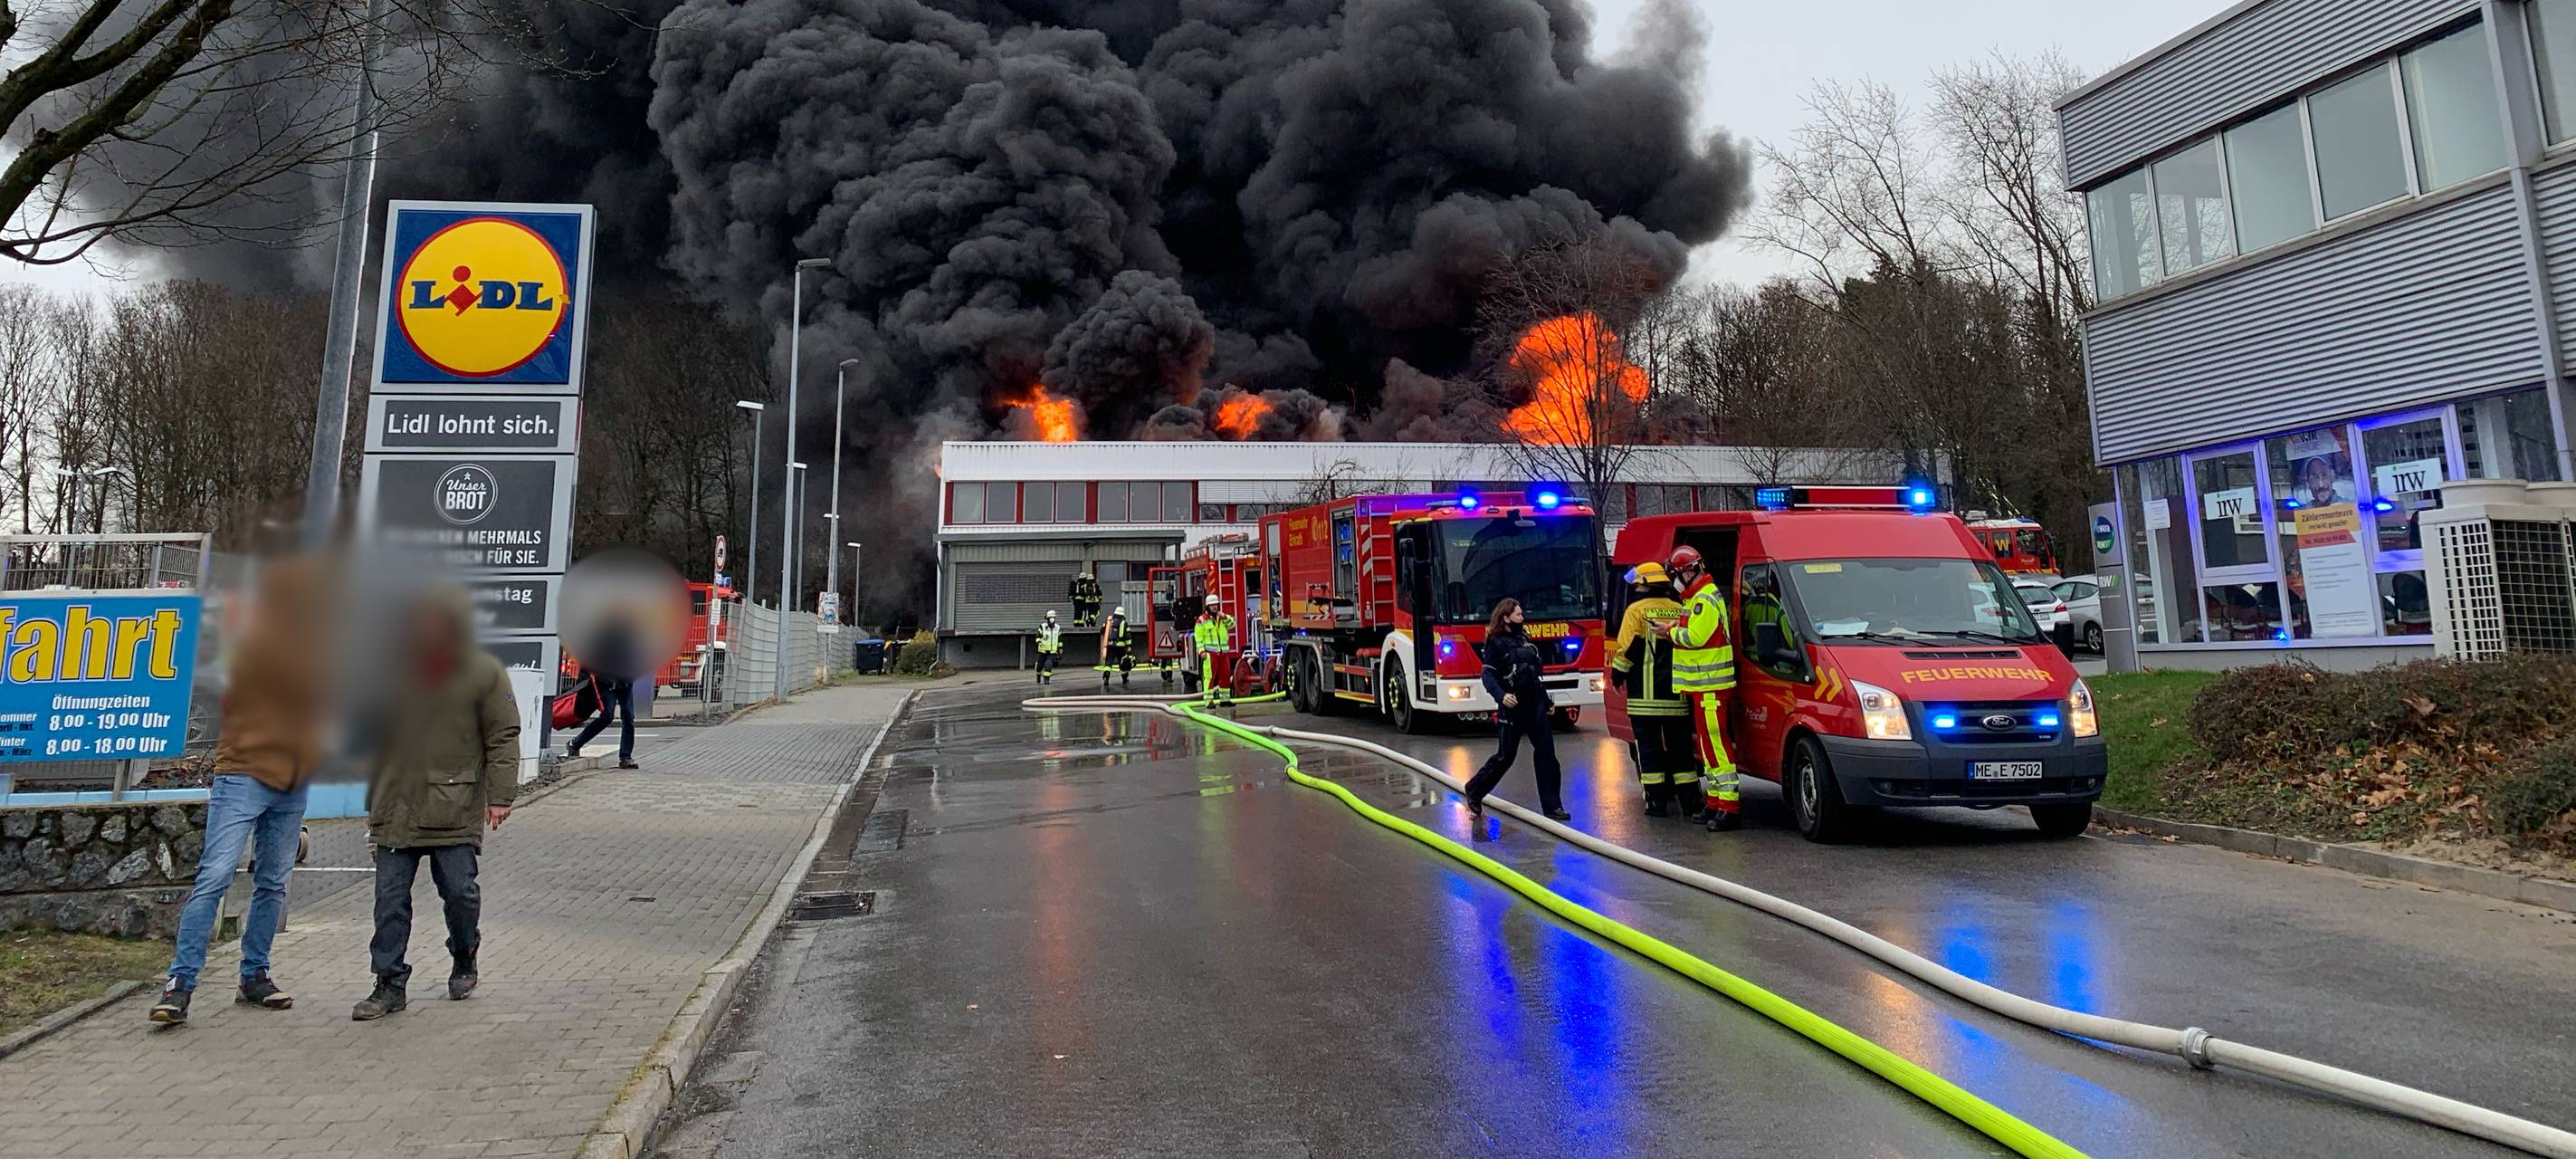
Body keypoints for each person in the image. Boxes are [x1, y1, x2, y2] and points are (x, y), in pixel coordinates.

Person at [151, 556, 332, 1024]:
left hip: (293, 780)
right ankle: (180, 984)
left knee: (274, 883)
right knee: (214, 876)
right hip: (246, 772)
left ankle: (255, 975)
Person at [353, 589, 523, 1020]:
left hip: (454, 804)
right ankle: (388, 984)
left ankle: (465, 953)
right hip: (395, 807)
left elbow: (503, 736)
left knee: (460, 894)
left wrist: (500, 797)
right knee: (389, 903)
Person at [1461, 599, 1569, 821]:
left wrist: (1546, 702)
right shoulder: (1495, 645)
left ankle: (1553, 806)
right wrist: (1501, 696)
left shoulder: (1524, 641)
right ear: (1506, 617)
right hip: (1513, 706)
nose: (1523, 618)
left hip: (1535, 705)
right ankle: (1475, 789)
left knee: (1547, 754)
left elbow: (1533, 676)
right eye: (1518, 615)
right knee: (1505, 756)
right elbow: (1488, 676)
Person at [1665, 546, 1741, 831]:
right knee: (1708, 747)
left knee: (1717, 745)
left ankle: (1729, 807)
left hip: (1712, 687)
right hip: (1703, 688)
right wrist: (1676, 624)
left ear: (1688, 571)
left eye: (1676, 573)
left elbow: (1696, 637)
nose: (1676, 579)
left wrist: (1669, 632)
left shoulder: (1704, 600)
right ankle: (1716, 802)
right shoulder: (1696, 598)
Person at [1609, 562, 1694, 818]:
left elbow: (1626, 651)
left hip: (1644, 698)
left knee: (1649, 751)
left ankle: (1656, 803)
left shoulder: (1635, 611)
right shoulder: (1680, 609)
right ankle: (1691, 802)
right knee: (1681, 751)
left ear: (1647, 584)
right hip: (1677, 696)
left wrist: (1617, 677)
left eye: (1639, 583)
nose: (1636, 586)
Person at [563, 666, 638, 769]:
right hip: (607, 683)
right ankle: (575, 743)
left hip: (625, 683)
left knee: (628, 717)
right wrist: (583, 681)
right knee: (607, 716)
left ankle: (625, 756)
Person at [1192, 602, 1236, 705]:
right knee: (1209, 677)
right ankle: (1209, 701)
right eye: (1212, 605)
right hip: (1210, 654)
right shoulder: (1201, 620)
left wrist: (1224, 616)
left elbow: (1232, 624)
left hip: (1223, 653)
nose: (1214, 607)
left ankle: (1225, 700)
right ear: (1207, 607)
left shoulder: (1222, 618)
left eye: (1216, 605)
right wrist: (1201, 651)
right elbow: (1198, 639)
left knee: (1225, 677)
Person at [1097, 606, 1137, 689]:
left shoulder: (1109, 622)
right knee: (1122, 663)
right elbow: (1128, 636)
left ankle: (1106, 677)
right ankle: (1125, 678)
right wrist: (1129, 647)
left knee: (1108, 662)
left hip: (1110, 646)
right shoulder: (1124, 623)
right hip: (1120, 647)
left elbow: (1102, 630)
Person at [1035, 610, 1063, 684]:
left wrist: (1060, 648)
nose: (1052, 619)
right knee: (1039, 666)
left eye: (1053, 618)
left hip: (1052, 651)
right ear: (1047, 619)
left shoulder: (1057, 627)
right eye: (1050, 618)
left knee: (1049, 664)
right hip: (1043, 650)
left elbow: (1059, 639)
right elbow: (1037, 637)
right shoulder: (1043, 627)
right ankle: (1038, 675)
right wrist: (1039, 642)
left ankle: (1046, 679)